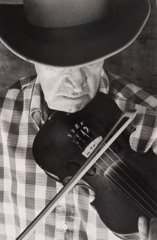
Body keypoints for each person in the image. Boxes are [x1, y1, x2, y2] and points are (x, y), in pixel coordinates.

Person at [0, 0, 156, 239]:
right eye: (58, 65)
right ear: (32, 57)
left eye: (89, 62)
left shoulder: (152, 121)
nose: (76, 83)